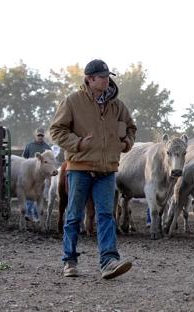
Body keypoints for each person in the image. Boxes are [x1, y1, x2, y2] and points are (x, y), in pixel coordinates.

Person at [50, 59, 137, 279]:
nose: (107, 80)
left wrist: (125, 143)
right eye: (102, 76)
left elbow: (131, 127)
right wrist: (78, 143)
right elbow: (57, 131)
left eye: (108, 76)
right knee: (73, 216)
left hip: (107, 170)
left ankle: (109, 262)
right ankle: (69, 261)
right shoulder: (72, 102)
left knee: (107, 215)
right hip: (79, 168)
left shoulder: (118, 106)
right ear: (90, 79)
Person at [22, 127, 52, 221]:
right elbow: (24, 158)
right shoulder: (29, 146)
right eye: (39, 135)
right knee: (30, 193)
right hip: (30, 174)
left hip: (42, 175)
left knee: (39, 194)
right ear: (35, 135)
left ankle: (36, 214)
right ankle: (28, 213)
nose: (40, 137)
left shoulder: (47, 148)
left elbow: (51, 161)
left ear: (44, 136)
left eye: (42, 135)